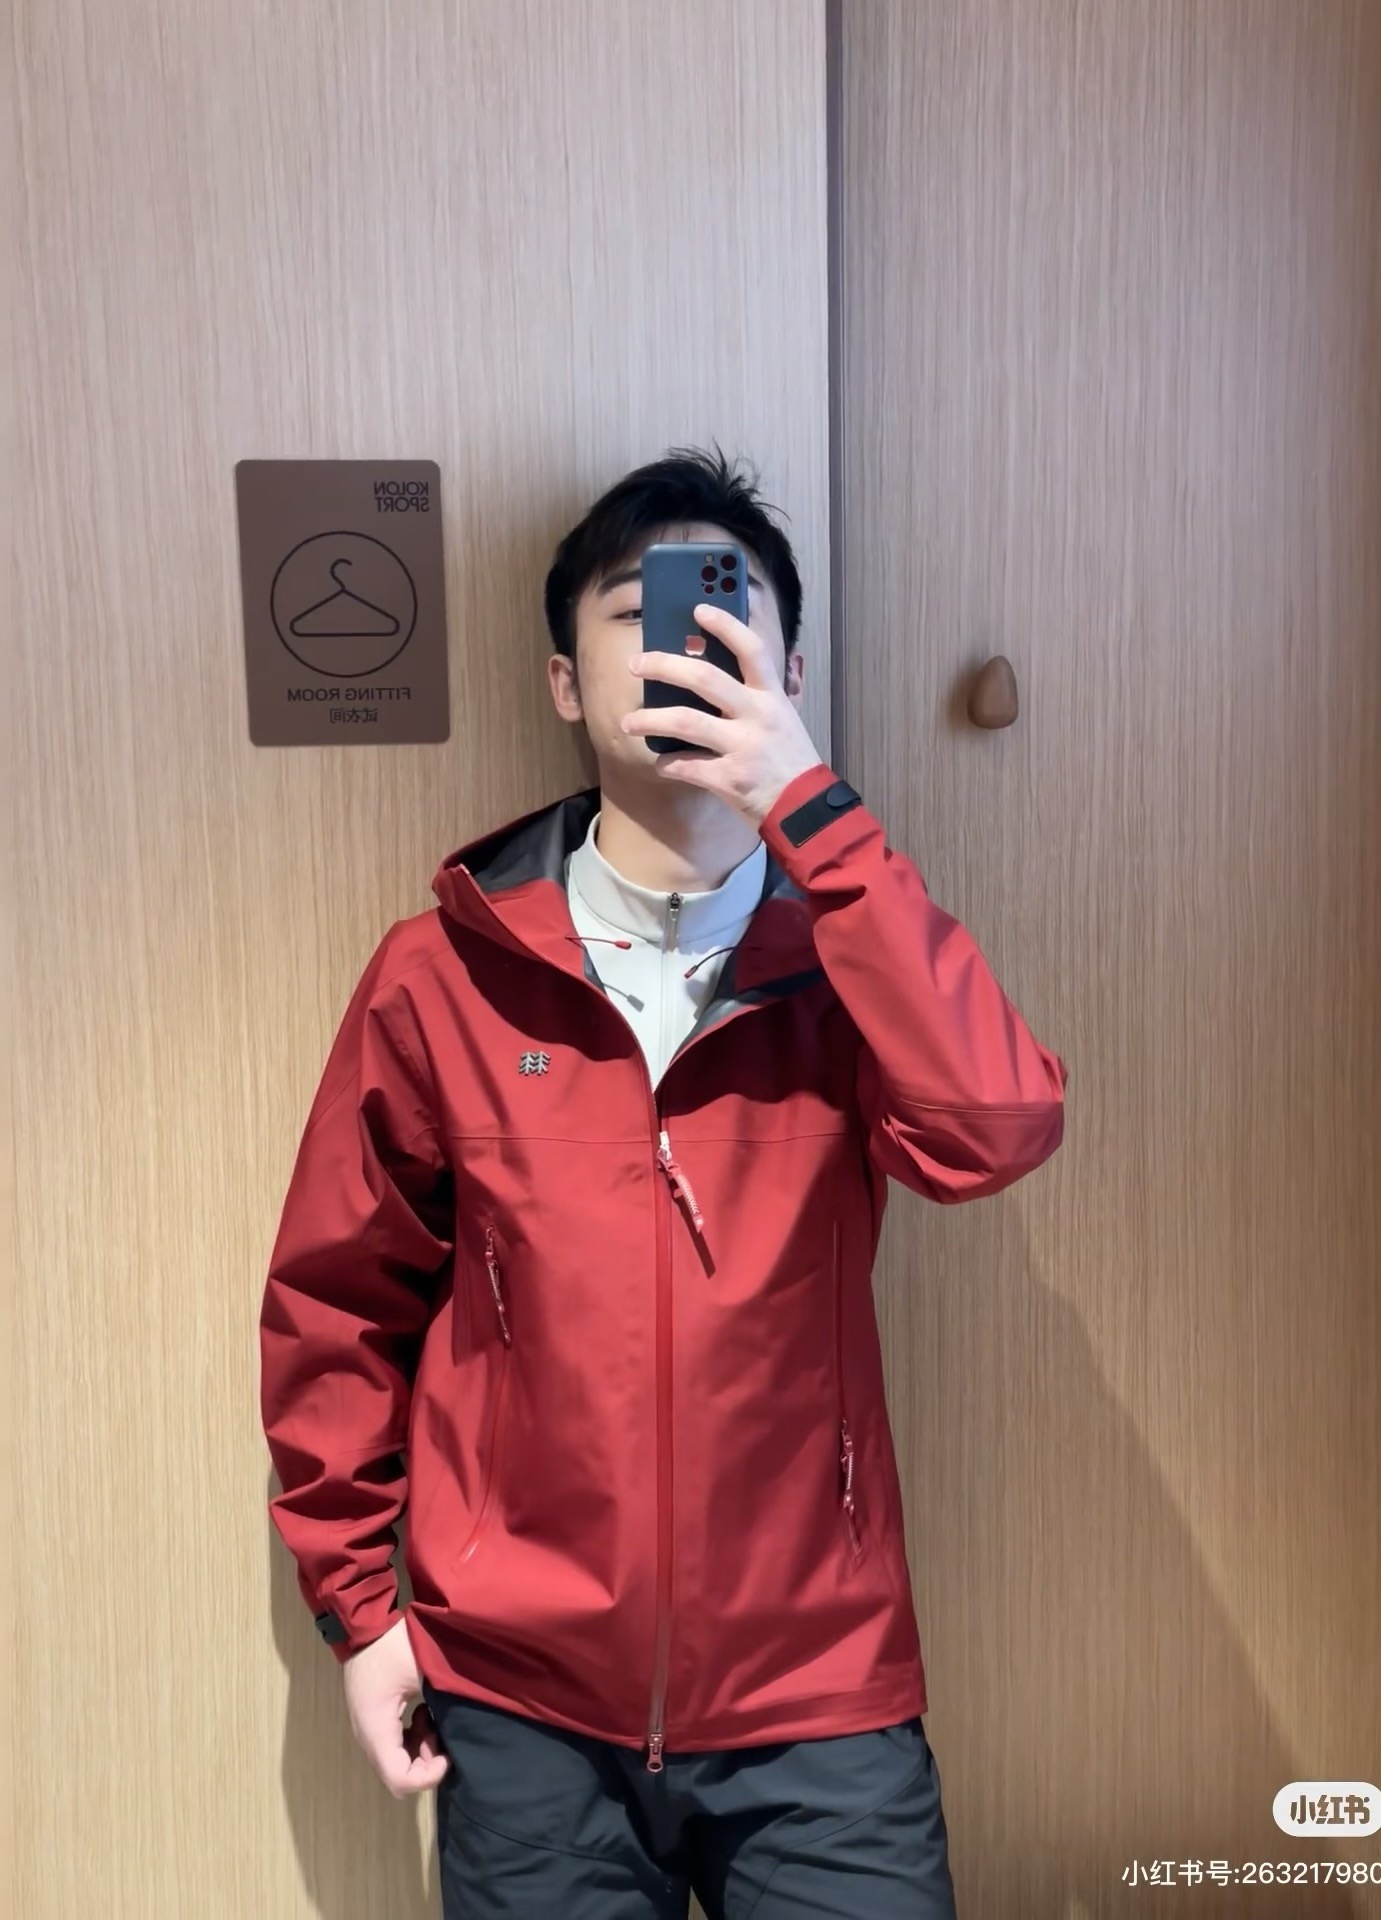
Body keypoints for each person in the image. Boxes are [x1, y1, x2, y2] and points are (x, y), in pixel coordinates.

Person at [260, 447, 1068, 1917]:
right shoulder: (444, 977)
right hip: (524, 1702)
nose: (682, 645)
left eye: (721, 615)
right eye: (637, 614)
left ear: (788, 676)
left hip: (819, 1694)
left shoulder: (852, 963)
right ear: (565, 683)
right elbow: (335, 1306)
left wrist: (808, 804)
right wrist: (360, 1618)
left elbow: (996, 1130)